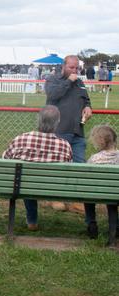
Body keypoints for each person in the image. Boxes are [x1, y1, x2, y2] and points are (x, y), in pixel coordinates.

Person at [45, 55, 96, 237]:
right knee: (58, 166)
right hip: (59, 129)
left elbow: (86, 99)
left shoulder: (80, 82)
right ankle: (55, 199)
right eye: (72, 68)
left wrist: (88, 107)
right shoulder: (53, 79)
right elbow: (52, 96)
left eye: (77, 68)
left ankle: (76, 200)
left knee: (80, 167)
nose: (75, 71)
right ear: (64, 66)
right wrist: (68, 81)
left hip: (78, 131)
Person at [2, 106, 73, 230]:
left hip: (23, 186)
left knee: (26, 182)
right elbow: (69, 168)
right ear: (57, 123)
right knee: (30, 182)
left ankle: (32, 221)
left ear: (38, 120)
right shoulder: (65, 146)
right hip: (54, 187)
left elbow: (5, 159)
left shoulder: (21, 139)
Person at [87, 125, 119, 246]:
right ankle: (115, 228)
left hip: (97, 192)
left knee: (87, 196)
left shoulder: (94, 159)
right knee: (112, 198)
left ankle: (91, 224)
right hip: (116, 193)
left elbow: (88, 179)